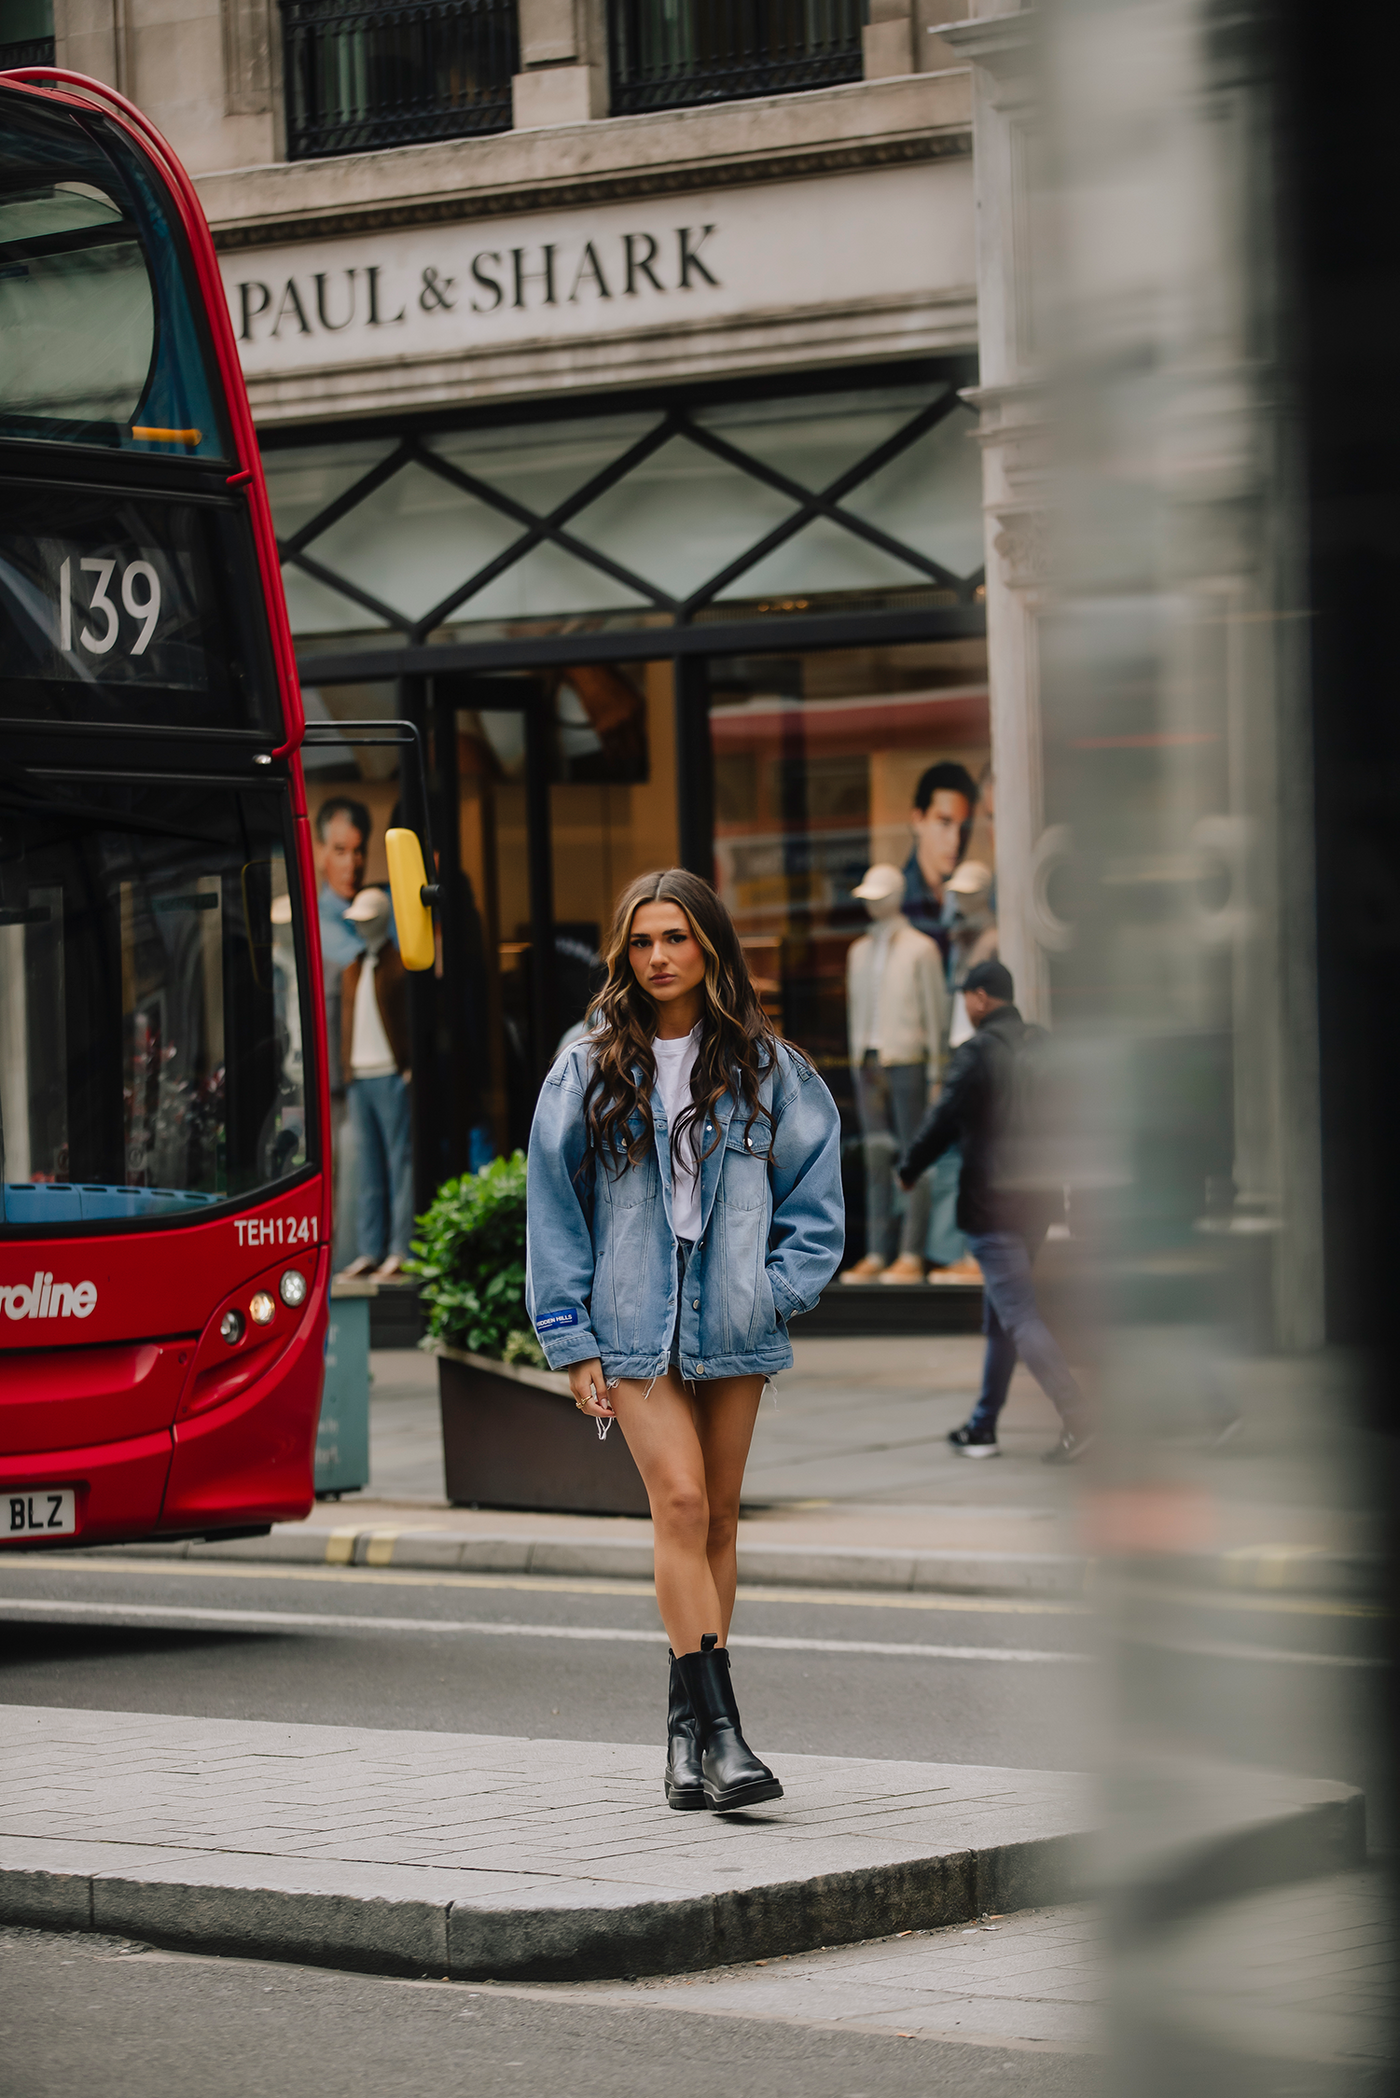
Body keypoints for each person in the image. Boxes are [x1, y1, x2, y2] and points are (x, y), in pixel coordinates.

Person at [526, 869, 844, 1812]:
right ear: (624, 954)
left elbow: (817, 1203)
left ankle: (682, 1740)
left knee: (719, 1521)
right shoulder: (585, 1065)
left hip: (734, 1324)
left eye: (675, 938)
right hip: (630, 1329)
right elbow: (553, 1206)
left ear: (709, 946)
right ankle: (725, 1731)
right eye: (641, 941)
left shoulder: (767, 1066)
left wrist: (772, 1291)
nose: (658, 957)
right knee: (679, 1501)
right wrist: (570, 1334)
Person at [898, 958, 1093, 1464]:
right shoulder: (1043, 1044)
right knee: (1003, 1315)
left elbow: (943, 1117)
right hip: (1039, 1199)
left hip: (993, 1202)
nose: (966, 1005)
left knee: (1020, 1314)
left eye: (967, 995)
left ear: (981, 997)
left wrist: (910, 1165)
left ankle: (1078, 1417)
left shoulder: (977, 1053)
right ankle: (983, 1426)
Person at [841, 863, 948, 1284]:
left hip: (908, 1061)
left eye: (878, 895)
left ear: (897, 896)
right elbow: (854, 1010)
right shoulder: (858, 952)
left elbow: (936, 1015)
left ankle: (910, 1251)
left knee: (913, 1158)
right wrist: (855, 1061)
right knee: (875, 1159)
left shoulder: (921, 948)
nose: (871, 903)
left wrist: (937, 1070)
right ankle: (877, 1251)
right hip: (868, 1063)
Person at [338, 887, 413, 1281]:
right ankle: (370, 1249)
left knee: (399, 1163)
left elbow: (410, 1019)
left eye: (368, 919)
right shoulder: (351, 968)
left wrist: (408, 1066)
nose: (362, 926)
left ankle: (400, 1248)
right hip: (359, 1076)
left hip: (389, 1072)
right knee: (369, 1166)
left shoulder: (399, 965)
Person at [316, 796, 372, 1266]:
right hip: (328, 1089)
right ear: (318, 851)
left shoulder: (374, 917)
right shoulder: (314, 925)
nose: (350, 863)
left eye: (357, 851)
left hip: (366, 1081)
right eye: (339, 850)